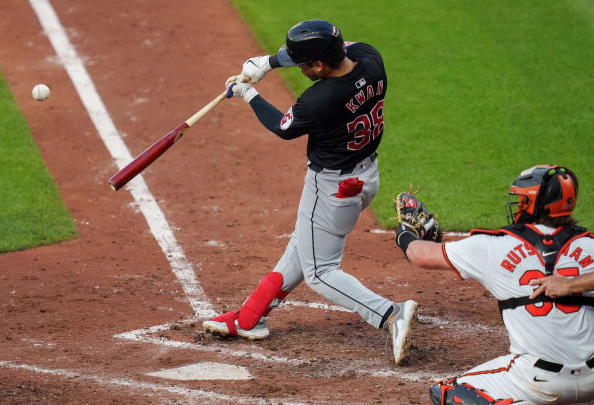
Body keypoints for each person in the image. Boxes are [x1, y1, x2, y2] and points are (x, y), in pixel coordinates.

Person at [201, 19, 418, 366]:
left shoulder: (319, 100)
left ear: (318, 65)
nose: (300, 68)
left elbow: (283, 127)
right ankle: (250, 316)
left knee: (320, 271)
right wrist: (269, 63)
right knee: (304, 247)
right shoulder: (370, 58)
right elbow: (345, 50)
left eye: (303, 64)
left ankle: (390, 314)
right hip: (365, 177)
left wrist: (248, 92)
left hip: (331, 188)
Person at [394, 165, 594, 404]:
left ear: (531, 205)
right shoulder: (590, 245)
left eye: (521, 200)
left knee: (448, 393)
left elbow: (420, 255)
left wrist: (405, 232)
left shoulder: (494, 247)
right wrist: (572, 284)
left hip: (534, 380)